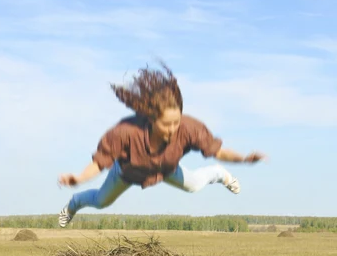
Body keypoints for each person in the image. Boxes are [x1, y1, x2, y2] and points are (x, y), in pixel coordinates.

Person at [58, 63, 265, 227]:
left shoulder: (190, 128)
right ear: (150, 119)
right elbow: (99, 163)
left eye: (176, 122)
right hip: (126, 173)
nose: (173, 128)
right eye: (166, 124)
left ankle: (220, 175)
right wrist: (78, 178)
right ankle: (73, 205)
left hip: (165, 169)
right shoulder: (125, 132)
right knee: (101, 202)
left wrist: (244, 159)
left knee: (194, 185)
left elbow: (218, 151)